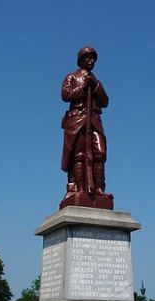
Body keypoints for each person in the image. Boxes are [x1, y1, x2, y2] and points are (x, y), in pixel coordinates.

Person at [60, 46, 113, 208]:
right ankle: (80, 188)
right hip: (77, 119)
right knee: (79, 154)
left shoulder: (96, 81)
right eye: (88, 58)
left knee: (100, 153)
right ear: (81, 60)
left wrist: (95, 86)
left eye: (93, 59)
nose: (91, 61)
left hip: (94, 119)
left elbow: (105, 101)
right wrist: (82, 88)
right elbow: (65, 95)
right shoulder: (72, 77)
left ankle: (98, 189)